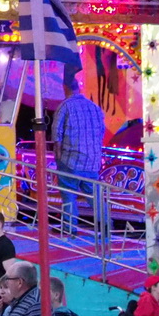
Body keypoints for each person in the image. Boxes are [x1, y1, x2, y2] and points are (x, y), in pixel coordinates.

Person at [52, 67, 104, 211]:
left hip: (71, 161)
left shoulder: (65, 106)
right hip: (92, 163)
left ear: (65, 87)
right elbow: (101, 132)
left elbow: (57, 137)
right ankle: (106, 227)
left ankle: (70, 230)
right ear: (79, 88)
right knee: (96, 198)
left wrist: (59, 160)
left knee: (68, 197)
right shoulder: (94, 107)